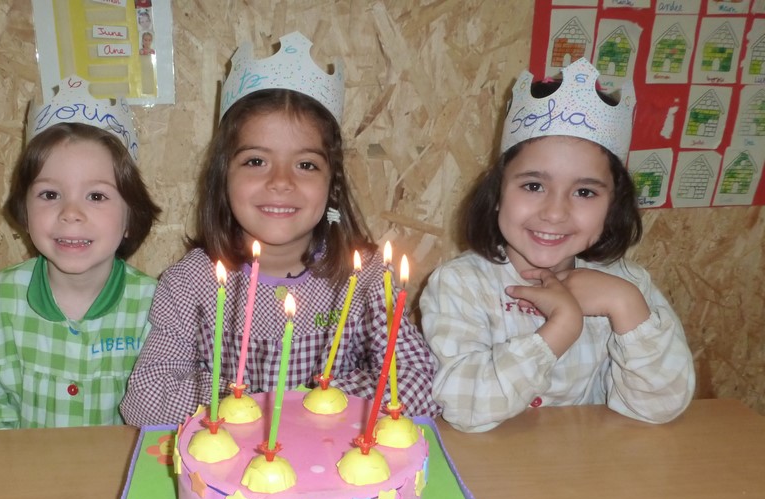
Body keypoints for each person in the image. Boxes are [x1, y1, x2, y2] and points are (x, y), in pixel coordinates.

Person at [121, 32, 439, 426]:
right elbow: (144, 401)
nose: (281, 181)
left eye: (306, 165)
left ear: (332, 184)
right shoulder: (190, 284)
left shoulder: (368, 278)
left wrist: (301, 405)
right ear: (223, 177)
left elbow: (420, 382)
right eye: (256, 161)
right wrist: (253, 403)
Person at [420, 59, 694, 433]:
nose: (554, 213)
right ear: (497, 194)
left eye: (584, 192)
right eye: (533, 186)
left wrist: (626, 305)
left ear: (612, 205)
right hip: (490, 464)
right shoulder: (460, 284)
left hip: (592, 461)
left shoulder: (629, 285)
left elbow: (660, 407)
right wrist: (560, 329)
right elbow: (463, 409)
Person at [0, 75, 161, 430]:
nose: (71, 213)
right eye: (50, 195)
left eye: (96, 196)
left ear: (131, 216)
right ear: (25, 213)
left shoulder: (158, 310)